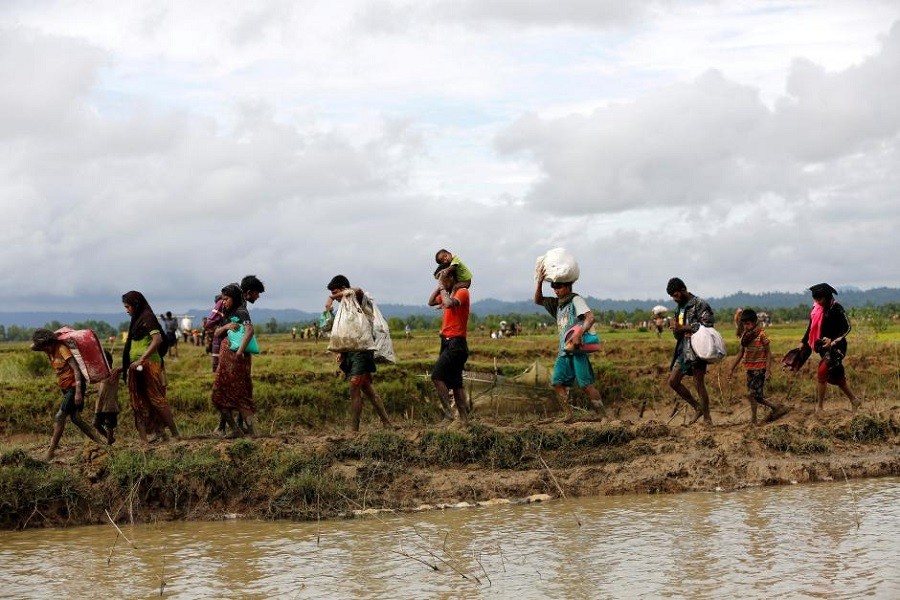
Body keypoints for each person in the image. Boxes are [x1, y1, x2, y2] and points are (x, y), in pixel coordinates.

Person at [534, 267, 606, 421]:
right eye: (553, 286)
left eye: (558, 286)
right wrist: (540, 282)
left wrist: (579, 333)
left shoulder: (575, 300)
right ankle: (568, 414)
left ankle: (603, 416)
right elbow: (538, 300)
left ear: (568, 286)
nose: (555, 290)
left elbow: (590, 317)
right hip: (563, 351)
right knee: (557, 382)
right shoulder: (558, 305)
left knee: (586, 386)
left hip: (576, 350)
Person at [326, 275, 393, 432]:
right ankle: (387, 423)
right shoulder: (345, 308)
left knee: (354, 388)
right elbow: (349, 334)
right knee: (368, 390)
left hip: (362, 353)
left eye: (336, 292)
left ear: (343, 289)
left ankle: (354, 430)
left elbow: (358, 290)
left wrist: (333, 297)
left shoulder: (359, 299)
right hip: (351, 354)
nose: (335, 298)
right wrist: (342, 352)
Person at [30, 329, 103, 459]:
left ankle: (51, 451)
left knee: (59, 416)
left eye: (44, 346)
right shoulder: (49, 349)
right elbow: (33, 347)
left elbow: (76, 369)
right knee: (76, 419)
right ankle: (102, 443)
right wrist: (42, 341)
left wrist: (79, 393)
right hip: (65, 388)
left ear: (48, 343)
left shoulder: (62, 349)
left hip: (74, 387)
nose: (44, 349)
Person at [122, 291, 180, 442]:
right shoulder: (136, 320)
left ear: (135, 305)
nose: (126, 310)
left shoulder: (147, 318)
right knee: (143, 401)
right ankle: (158, 432)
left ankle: (175, 434)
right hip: (137, 367)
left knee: (157, 399)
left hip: (149, 364)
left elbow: (157, 339)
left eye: (128, 306)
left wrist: (141, 359)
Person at [799, 283, 862, 413]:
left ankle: (820, 407)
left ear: (827, 297)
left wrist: (832, 340)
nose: (817, 301)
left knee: (822, 371)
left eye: (819, 299)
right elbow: (810, 327)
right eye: (815, 299)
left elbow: (847, 328)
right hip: (823, 348)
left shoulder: (837, 308)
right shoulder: (816, 309)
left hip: (837, 347)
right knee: (837, 377)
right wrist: (804, 341)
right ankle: (855, 400)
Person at [211, 282, 262, 437]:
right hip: (226, 359)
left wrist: (239, 352)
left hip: (236, 359)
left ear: (234, 298)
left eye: (226, 299)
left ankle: (247, 431)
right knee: (223, 394)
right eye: (223, 299)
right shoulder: (228, 313)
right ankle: (237, 429)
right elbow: (216, 332)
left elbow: (250, 330)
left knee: (236, 394)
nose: (223, 302)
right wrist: (226, 327)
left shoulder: (241, 311)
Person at [666, 277, 713, 426]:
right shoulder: (678, 309)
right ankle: (697, 407)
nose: (674, 299)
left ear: (683, 290)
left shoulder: (700, 304)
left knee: (698, 383)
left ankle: (707, 418)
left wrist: (684, 328)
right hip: (683, 349)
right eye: (672, 296)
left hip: (699, 349)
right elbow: (677, 333)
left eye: (676, 295)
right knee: (673, 381)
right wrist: (676, 329)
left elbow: (708, 324)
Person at [729, 309, 788, 425]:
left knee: (752, 394)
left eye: (748, 324)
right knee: (755, 397)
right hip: (749, 369)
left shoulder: (761, 334)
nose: (746, 327)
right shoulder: (744, 337)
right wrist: (731, 368)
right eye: (744, 324)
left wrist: (768, 370)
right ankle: (769, 411)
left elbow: (768, 353)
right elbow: (740, 353)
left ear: (754, 322)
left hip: (760, 368)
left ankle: (756, 419)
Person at [428, 270, 472, 426]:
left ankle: (448, 416)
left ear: (452, 278)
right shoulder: (447, 292)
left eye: (443, 279)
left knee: (436, 376)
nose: (441, 283)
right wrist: (440, 285)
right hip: (447, 342)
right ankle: (465, 421)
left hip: (456, 343)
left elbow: (447, 303)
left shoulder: (462, 292)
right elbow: (431, 301)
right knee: (456, 383)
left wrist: (442, 287)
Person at [93, 350, 121, 444]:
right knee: (96, 423)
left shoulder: (114, 372)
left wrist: (119, 369)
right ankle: (110, 439)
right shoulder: (100, 375)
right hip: (100, 405)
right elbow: (101, 389)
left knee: (109, 425)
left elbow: (125, 367)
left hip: (110, 405)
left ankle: (109, 444)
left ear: (109, 361)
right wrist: (91, 391)